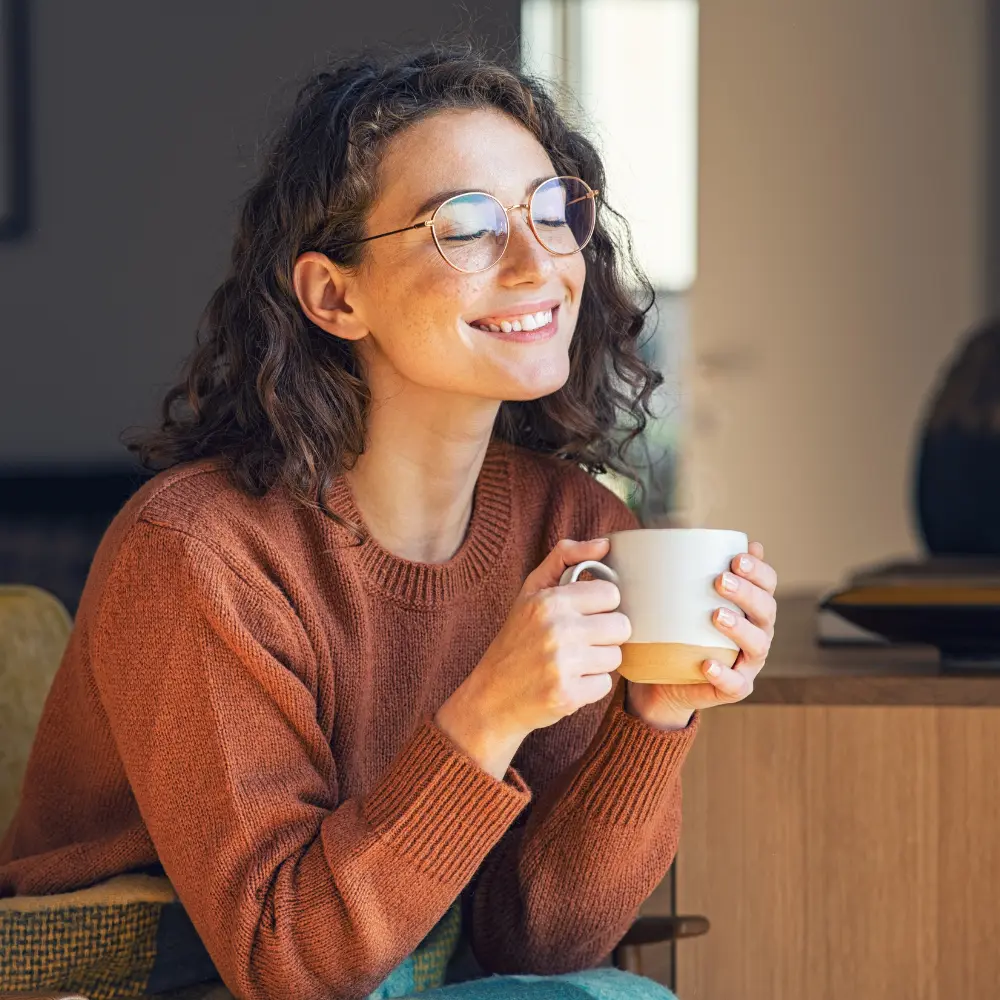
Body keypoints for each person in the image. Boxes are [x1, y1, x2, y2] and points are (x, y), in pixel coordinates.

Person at [0, 44, 777, 1000]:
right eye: (468, 227)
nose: (540, 262)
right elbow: (284, 964)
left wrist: (655, 717)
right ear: (336, 295)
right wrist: (487, 713)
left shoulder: (574, 525)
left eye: (551, 211)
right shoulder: (199, 553)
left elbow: (537, 944)